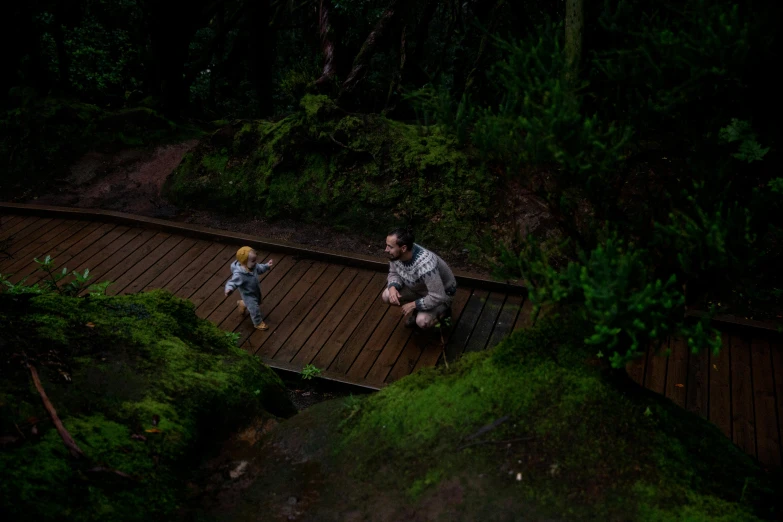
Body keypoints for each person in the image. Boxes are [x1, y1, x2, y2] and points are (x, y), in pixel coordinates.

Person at [382, 228, 457, 329]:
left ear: (403, 248)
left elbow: (438, 296)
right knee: (387, 295)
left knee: (423, 321)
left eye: (390, 247)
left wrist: (413, 305)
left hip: (442, 295)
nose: (386, 249)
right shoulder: (396, 255)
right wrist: (392, 287)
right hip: (418, 289)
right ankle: (422, 308)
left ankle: (444, 313)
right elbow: (394, 272)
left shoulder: (425, 265)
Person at [224, 246, 274, 331]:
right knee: (254, 309)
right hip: (248, 294)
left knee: (257, 302)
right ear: (244, 262)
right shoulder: (240, 274)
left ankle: (242, 304)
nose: (255, 262)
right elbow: (232, 282)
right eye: (253, 261)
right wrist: (229, 289)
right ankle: (258, 323)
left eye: (255, 260)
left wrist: (266, 266)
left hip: (255, 290)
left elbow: (260, 268)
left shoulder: (253, 266)